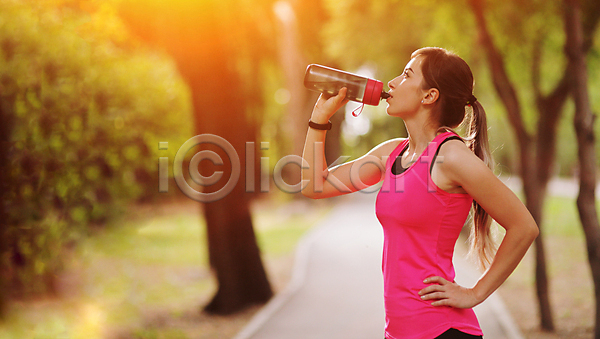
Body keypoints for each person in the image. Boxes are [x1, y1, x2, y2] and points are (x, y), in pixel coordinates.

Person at [301, 47, 539, 339]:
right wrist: (319, 119)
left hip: (442, 329)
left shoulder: (450, 156)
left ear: (429, 96)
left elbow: (524, 226)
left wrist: (476, 293)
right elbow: (314, 185)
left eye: (406, 74)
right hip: (400, 330)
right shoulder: (392, 153)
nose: (392, 82)